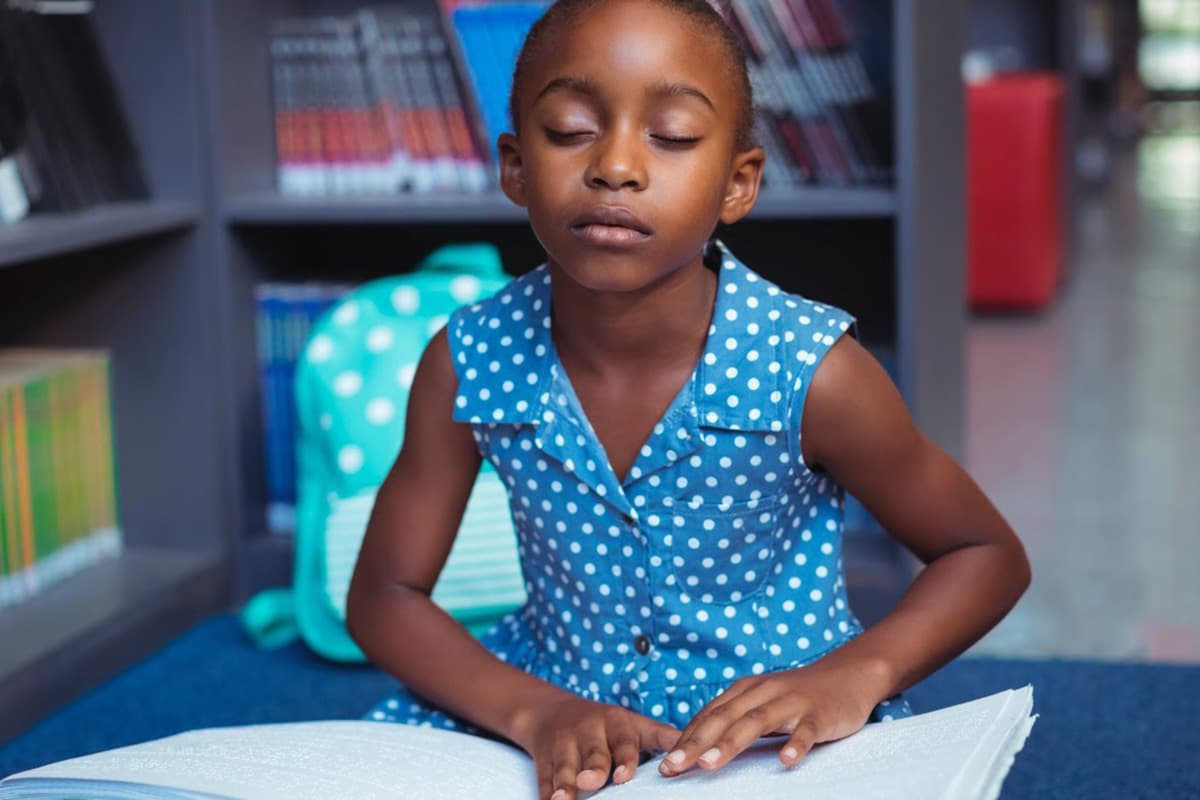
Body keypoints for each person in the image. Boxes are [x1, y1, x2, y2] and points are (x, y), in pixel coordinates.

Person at [345, 1, 1031, 798]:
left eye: (670, 136)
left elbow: (985, 555)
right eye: (570, 129)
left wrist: (855, 675)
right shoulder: (468, 361)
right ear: (515, 167)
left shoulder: (813, 372)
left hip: (773, 743)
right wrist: (536, 714)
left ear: (738, 183)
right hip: (544, 723)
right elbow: (384, 596)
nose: (616, 166)